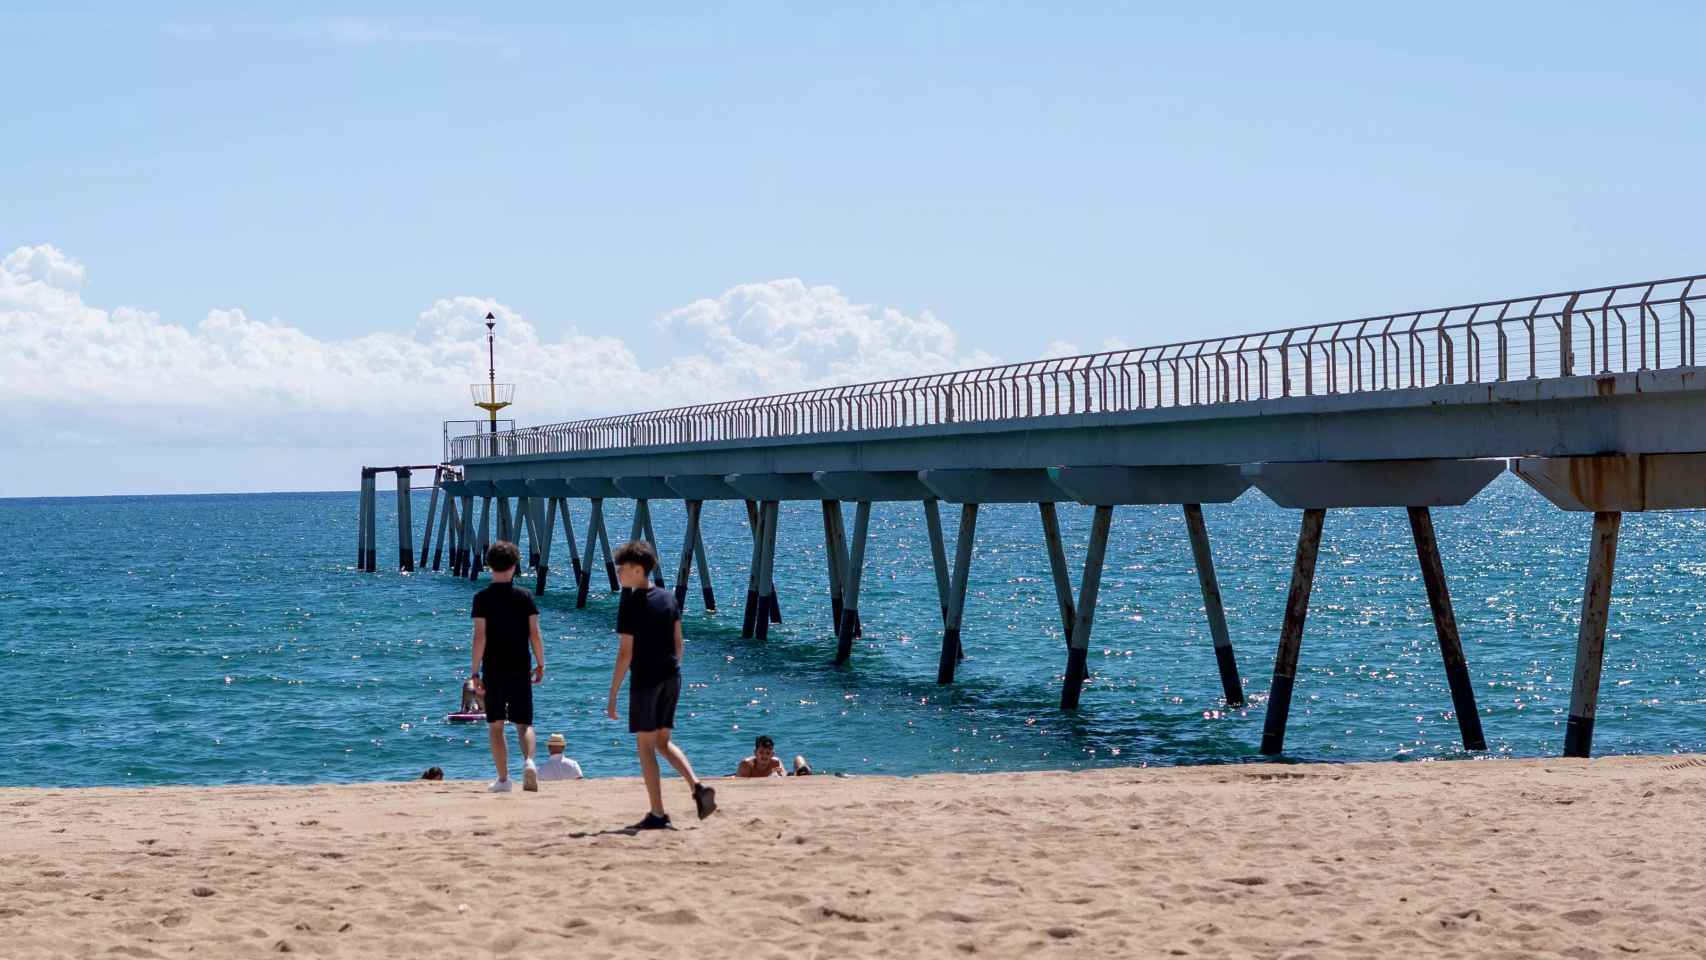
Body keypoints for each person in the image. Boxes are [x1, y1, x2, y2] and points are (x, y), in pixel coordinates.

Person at [605, 539, 716, 829]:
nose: (619, 573)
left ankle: (657, 813)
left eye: (623, 569)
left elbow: (625, 653)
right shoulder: (668, 598)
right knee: (663, 742)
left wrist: (613, 693)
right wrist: (671, 668)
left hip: (645, 680)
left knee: (645, 746)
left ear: (639, 570)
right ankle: (697, 786)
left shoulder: (630, 603)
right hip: (671, 676)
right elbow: (679, 644)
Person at [470, 540, 545, 793]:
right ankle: (529, 761)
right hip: (520, 666)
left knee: (496, 725)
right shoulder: (524, 596)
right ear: (514, 566)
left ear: (489, 565)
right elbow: (534, 633)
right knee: (524, 723)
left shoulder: (482, 598)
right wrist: (540, 663)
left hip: (494, 668)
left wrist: (474, 672)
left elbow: (480, 637)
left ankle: (503, 780)